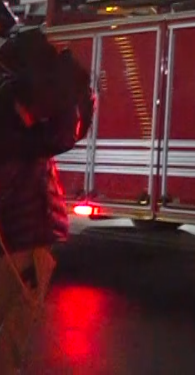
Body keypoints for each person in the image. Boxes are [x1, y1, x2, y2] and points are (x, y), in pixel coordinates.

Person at [0, 19, 92, 375]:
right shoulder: (17, 100)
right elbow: (69, 126)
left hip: (17, 233)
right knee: (10, 337)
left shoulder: (15, 99)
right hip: (22, 234)